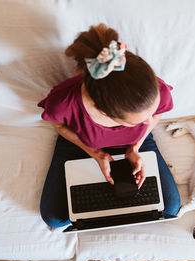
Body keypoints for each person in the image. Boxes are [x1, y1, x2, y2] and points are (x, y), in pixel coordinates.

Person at [38, 24, 180, 228]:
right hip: (81, 140)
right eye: (139, 121)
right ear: (101, 110)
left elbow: (154, 117)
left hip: (136, 141)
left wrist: (135, 147)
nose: (149, 121)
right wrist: (95, 153)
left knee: (170, 208)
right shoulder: (64, 102)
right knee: (54, 217)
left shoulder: (155, 92)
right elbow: (58, 125)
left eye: (151, 113)